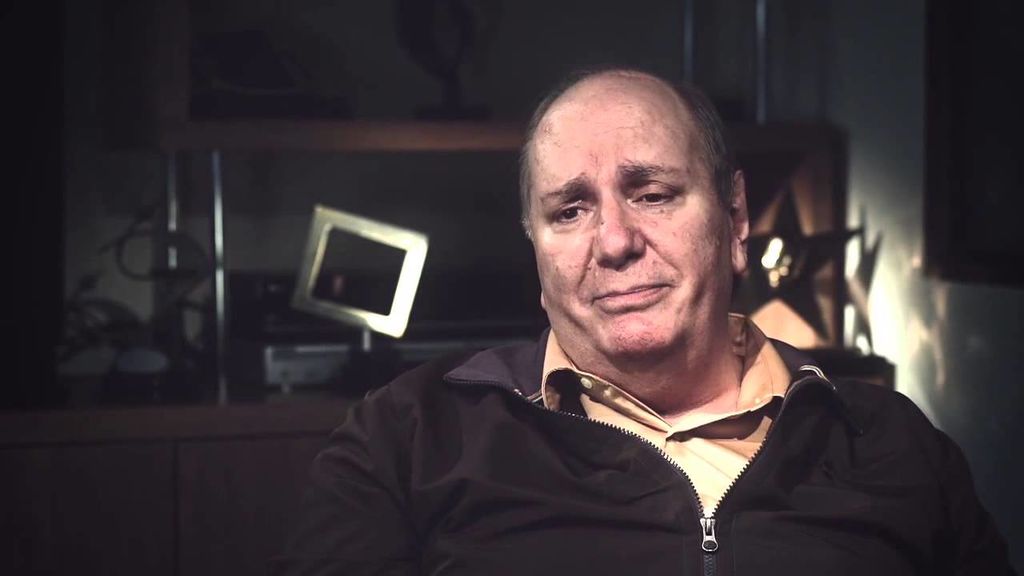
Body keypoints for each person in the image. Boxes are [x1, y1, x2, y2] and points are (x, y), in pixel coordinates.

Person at [272, 69, 1014, 575]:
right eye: (570, 211)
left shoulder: (891, 445)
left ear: (735, 219)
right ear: (536, 249)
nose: (615, 242)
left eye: (652, 194)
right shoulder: (406, 437)